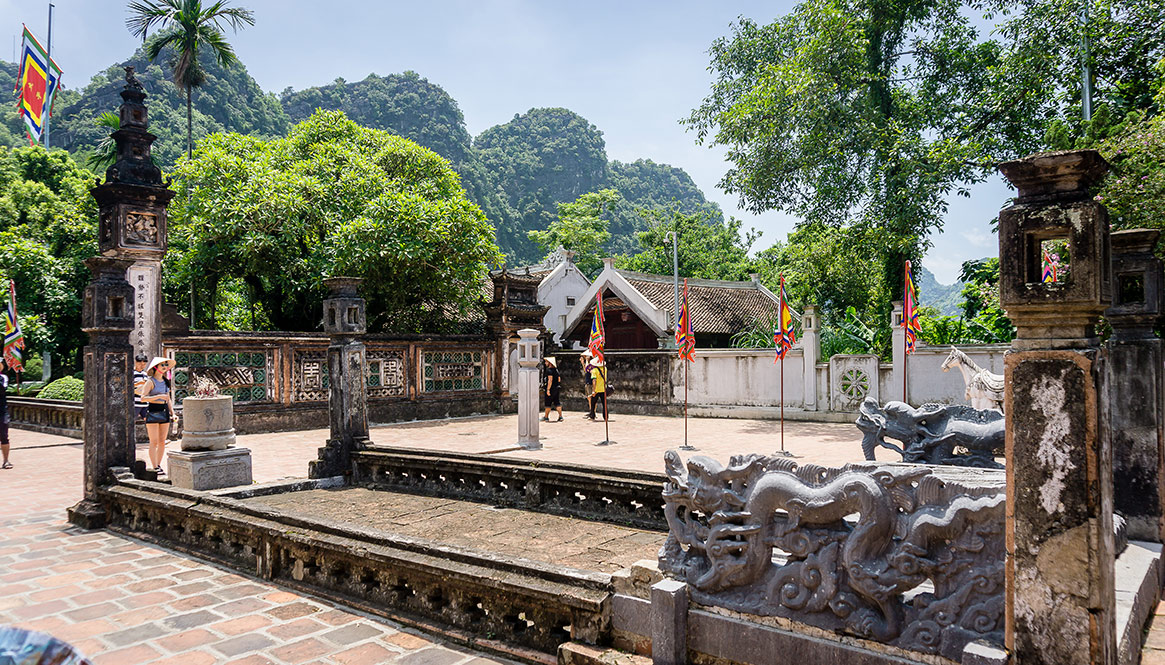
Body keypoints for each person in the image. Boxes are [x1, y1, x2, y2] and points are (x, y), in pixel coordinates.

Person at [139, 357, 175, 475]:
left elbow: (168, 399)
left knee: (162, 441)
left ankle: (159, 465)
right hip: (153, 410)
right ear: (156, 367)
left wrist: (172, 413)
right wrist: (157, 397)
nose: (165, 367)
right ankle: (154, 466)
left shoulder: (166, 381)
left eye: (166, 365)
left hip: (164, 410)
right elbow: (143, 398)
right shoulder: (150, 381)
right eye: (162, 365)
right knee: (153, 441)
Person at [541, 357, 563, 422]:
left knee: (548, 403)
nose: (545, 363)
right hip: (556, 388)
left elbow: (550, 380)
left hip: (551, 388)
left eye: (546, 362)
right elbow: (559, 379)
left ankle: (546, 417)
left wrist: (548, 389)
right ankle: (560, 416)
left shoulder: (549, 370)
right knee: (557, 402)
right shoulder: (556, 370)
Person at [587, 358, 608, 422]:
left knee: (593, 403)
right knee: (604, 404)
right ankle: (606, 417)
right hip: (603, 388)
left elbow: (594, 380)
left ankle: (592, 415)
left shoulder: (594, 370)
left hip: (596, 389)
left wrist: (593, 390)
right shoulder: (605, 369)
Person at [0, 358, 10, 469]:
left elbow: (2, 389)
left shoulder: (3, 378)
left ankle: (6, 460)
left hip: (2, 411)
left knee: (4, 436)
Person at [133, 354, 149, 422]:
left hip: (145, 402)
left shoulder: (145, 374)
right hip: (135, 402)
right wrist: (139, 383)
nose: (142, 366)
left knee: (148, 420)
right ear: (135, 362)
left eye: (144, 364)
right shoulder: (132, 373)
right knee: (132, 420)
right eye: (140, 363)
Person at [582, 351, 596, 420]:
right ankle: (591, 411)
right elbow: (585, 370)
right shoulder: (588, 363)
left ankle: (592, 412)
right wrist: (583, 363)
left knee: (591, 398)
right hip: (587, 382)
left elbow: (589, 370)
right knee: (588, 397)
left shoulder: (593, 364)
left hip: (591, 382)